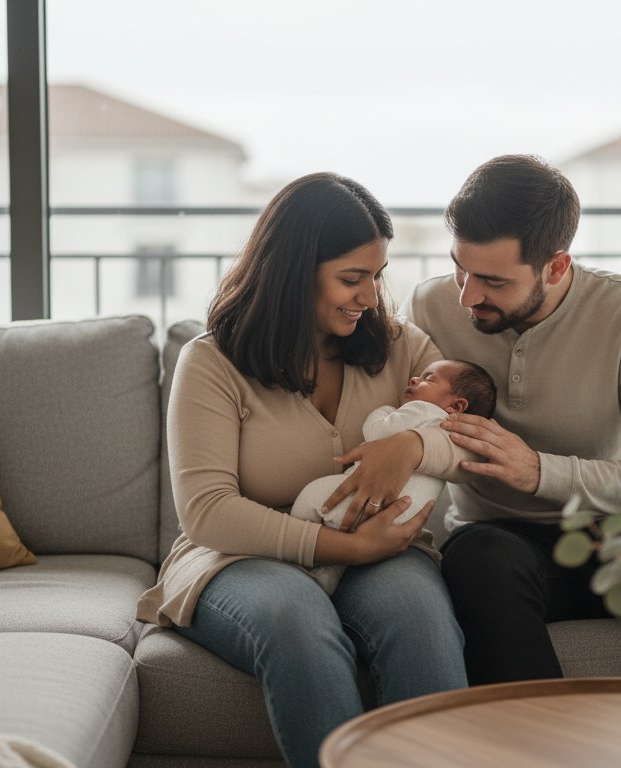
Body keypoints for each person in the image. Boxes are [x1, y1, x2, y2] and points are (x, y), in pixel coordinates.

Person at [136, 173, 468, 768]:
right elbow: (208, 511)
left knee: (421, 625)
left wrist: (412, 450)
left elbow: (474, 442)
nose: (369, 296)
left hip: (388, 552)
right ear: (294, 271)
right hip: (239, 560)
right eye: (350, 278)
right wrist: (346, 548)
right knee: (297, 624)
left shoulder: (402, 349)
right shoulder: (211, 362)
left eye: (376, 276)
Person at [405, 154, 621, 684]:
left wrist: (540, 472)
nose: (468, 295)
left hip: (620, 537)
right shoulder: (431, 305)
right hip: (500, 541)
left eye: (493, 280)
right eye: (459, 268)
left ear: (557, 267)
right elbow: (401, 418)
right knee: (478, 559)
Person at [292, 359, 497, 593]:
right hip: (402, 518)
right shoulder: (453, 431)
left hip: (368, 501)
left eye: (428, 379)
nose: (414, 379)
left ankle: (295, 562)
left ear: (457, 406)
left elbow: (378, 431)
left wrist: (386, 409)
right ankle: (327, 576)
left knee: (312, 496)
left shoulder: (424, 410)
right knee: (341, 544)